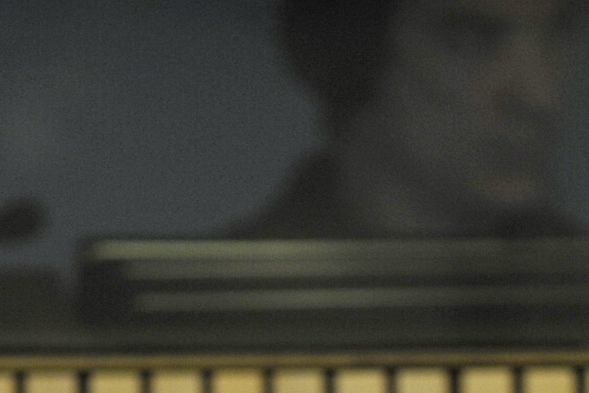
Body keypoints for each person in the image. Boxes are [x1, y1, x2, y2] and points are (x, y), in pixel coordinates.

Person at [232, 0, 571, 239]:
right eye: (470, 38)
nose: (541, 97)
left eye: (558, 33)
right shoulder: (226, 308)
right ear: (349, 49)